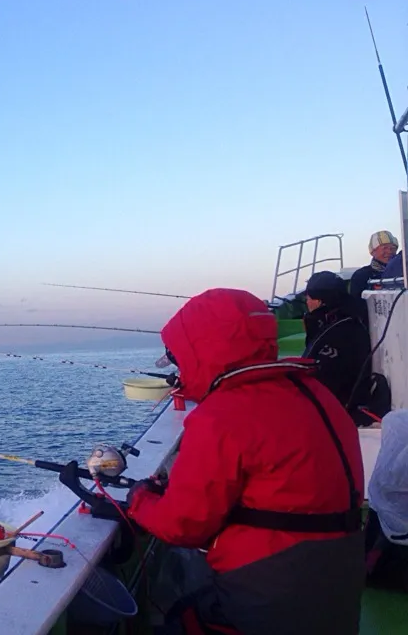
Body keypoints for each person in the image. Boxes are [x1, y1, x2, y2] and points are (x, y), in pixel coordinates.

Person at [127, 288, 364, 635]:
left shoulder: (221, 415)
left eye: (180, 357)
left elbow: (184, 527)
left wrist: (140, 500)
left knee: (178, 615)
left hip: (275, 595)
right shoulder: (313, 391)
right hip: (336, 588)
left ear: (200, 350)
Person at [303, 271, 374, 424]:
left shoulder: (339, 331)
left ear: (320, 301)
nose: (306, 301)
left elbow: (323, 378)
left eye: (308, 297)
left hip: (336, 413)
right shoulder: (346, 322)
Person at [350, 230, 399, 300]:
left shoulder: (403, 273)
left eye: (393, 248)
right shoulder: (361, 276)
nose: (389, 251)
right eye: (384, 248)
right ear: (373, 252)